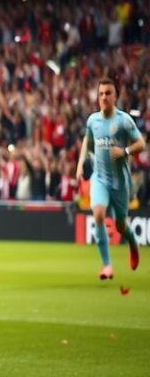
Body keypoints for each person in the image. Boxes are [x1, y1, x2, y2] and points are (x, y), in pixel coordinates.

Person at [76, 77, 145, 280]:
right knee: (98, 214)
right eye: (101, 94)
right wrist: (80, 164)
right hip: (100, 179)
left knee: (121, 225)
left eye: (108, 93)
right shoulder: (92, 121)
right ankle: (107, 266)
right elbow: (87, 144)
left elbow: (141, 143)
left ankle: (132, 242)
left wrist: (125, 151)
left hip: (120, 183)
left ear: (115, 96)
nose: (104, 97)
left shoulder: (123, 121)